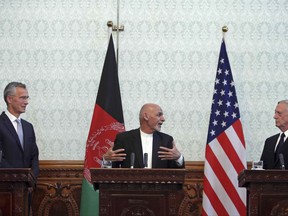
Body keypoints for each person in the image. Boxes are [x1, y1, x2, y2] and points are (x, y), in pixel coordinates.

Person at [104, 103, 184, 168]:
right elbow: (112, 171)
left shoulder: (166, 140)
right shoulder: (124, 139)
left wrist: (178, 158)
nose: (163, 119)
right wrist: (107, 160)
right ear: (146, 116)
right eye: (159, 115)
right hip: (131, 187)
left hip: (159, 187)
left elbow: (175, 174)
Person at [0, 82, 39, 178]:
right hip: (6, 187)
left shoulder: (28, 127)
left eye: (27, 98)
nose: (26, 102)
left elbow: (34, 156)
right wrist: (18, 178)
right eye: (22, 98)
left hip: (27, 188)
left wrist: (32, 179)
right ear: (9, 99)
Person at [261, 100, 288, 169]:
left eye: (279, 113)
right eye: (275, 113)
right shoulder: (269, 141)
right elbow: (263, 168)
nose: (275, 116)